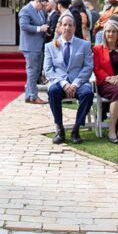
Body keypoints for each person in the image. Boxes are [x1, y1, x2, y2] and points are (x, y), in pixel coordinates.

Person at [43, 15, 94, 144]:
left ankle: (76, 129)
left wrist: (76, 84)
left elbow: (88, 67)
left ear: (75, 27)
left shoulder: (84, 44)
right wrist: (64, 83)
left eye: (70, 25)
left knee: (88, 93)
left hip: (79, 82)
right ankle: (60, 129)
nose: (67, 27)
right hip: (59, 82)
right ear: (59, 27)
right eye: (64, 25)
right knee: (53, 91)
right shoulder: (50, 46)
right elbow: (48, 69)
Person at [19, 0, 51, 105]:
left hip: (38, 44)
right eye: (43, 5)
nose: (44, 8)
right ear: (37, 2)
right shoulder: (26, 10)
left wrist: (45, 30)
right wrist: (39, 29)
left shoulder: (40, 11)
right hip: (30, 45)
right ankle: (33, 96)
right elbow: (23, 26)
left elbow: (42, 23)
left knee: (35, 71)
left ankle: (28, 96)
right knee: (32, 71)